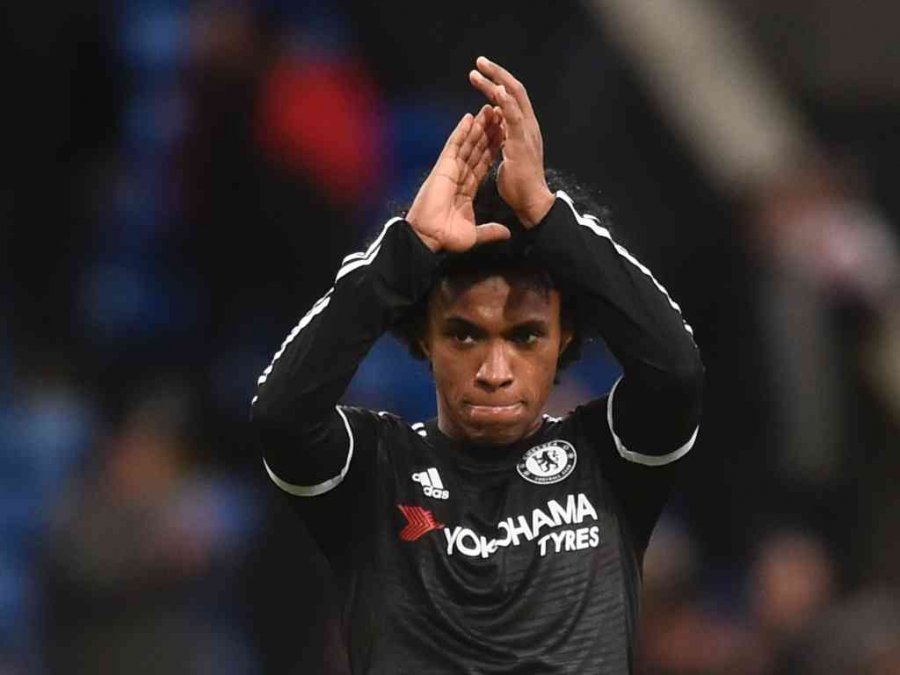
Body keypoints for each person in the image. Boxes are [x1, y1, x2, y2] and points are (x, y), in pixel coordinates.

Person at [250, 56, 703, 673]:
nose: (495, 369)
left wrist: (548, 216)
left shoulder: (611, 458)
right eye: (465, 336)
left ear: (565, 339)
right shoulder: (374, 471)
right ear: (422, 340)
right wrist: (409, 248)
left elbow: (675, 371)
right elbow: (281, 415)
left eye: (525, 336)